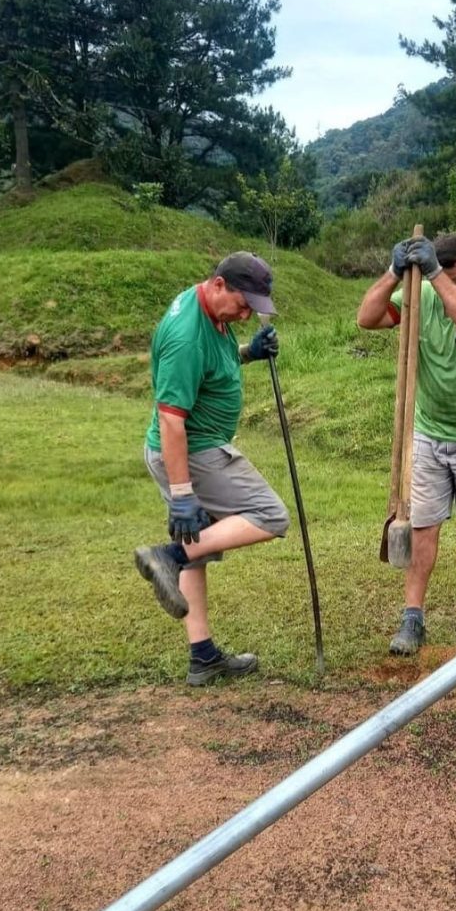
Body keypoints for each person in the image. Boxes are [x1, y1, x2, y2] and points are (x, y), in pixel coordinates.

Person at [134, 253, 290, 686]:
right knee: (270, 515)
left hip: (192, 448)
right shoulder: (186, 335)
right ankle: (166, 556)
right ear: (219, 284)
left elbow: (208, 366)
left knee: (200, 548)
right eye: (244, 303)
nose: (247, 313)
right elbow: (171, 419)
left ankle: (202, 657)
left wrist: (246, 353)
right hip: (193, 450)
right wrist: (183, 494)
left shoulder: (207, 310)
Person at [357, 232, 456, 654]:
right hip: (429, 429)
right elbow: (366, 318)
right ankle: (412, 616)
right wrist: (393, 274)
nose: (445, 279)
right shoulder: (417, 294)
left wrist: (435, 275)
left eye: (453, 272)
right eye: (436, 270)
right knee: (423, 523)